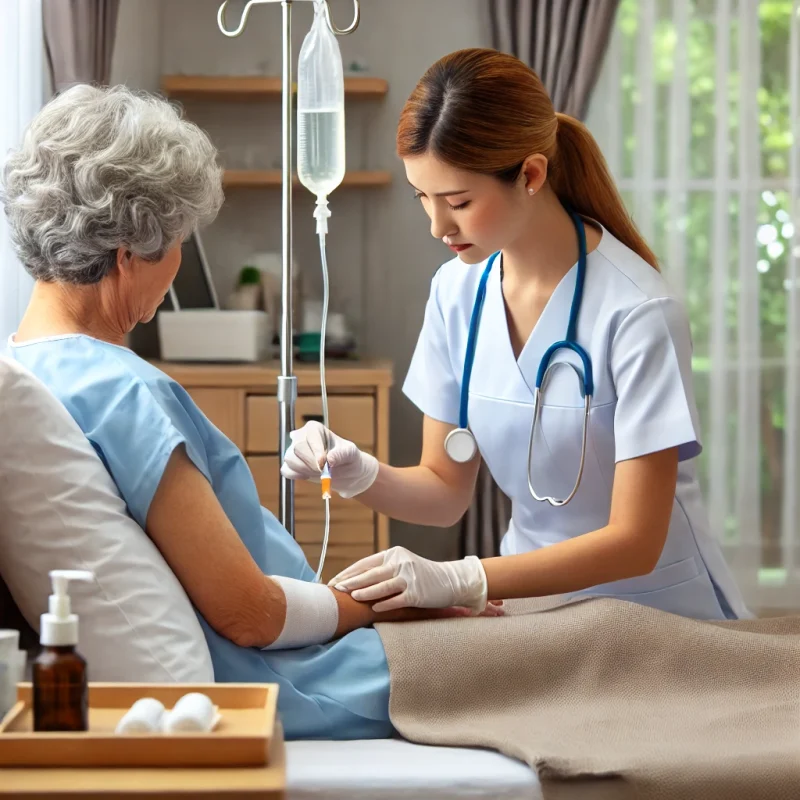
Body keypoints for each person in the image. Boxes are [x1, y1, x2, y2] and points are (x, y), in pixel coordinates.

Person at [1, 83, 499, 741]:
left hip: (304, 651)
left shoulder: (29, 368)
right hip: (306, 677)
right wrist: (392, 608)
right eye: (179, 240)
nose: (177, 264)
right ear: (129, 254)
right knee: (600, 642)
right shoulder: (122, 392)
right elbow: (249, 613)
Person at [282, 48, 750, 622]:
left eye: (458, 201)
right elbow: (444, 490)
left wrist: (464, 577)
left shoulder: (638, 310)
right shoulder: (456, 293)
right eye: (423, 198)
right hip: (530, 613)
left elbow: (635, 540)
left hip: (657, 617)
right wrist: (358, 473)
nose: (437, 226)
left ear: (530, 174)